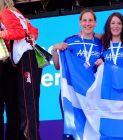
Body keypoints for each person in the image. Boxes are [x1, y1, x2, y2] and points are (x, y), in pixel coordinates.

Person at [52, 9, 103, 140]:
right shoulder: (70, 41)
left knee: (94, 130)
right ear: (80, 22)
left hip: (93, 94)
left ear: (95, 23)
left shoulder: (101, 43)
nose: (87, 23)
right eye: (84, 20)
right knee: (73, 131)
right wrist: (55, 49)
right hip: (72, 93)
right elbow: (58, 66)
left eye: (90, 20)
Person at [0, 0, 42, 139]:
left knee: (26, 101)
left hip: (21, 59)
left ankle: (30, 135)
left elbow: (19, 32)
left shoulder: (5, 13)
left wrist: (3, 34)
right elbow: (32, 31)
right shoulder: (16, 12)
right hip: (20, 60)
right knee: (25, 101)